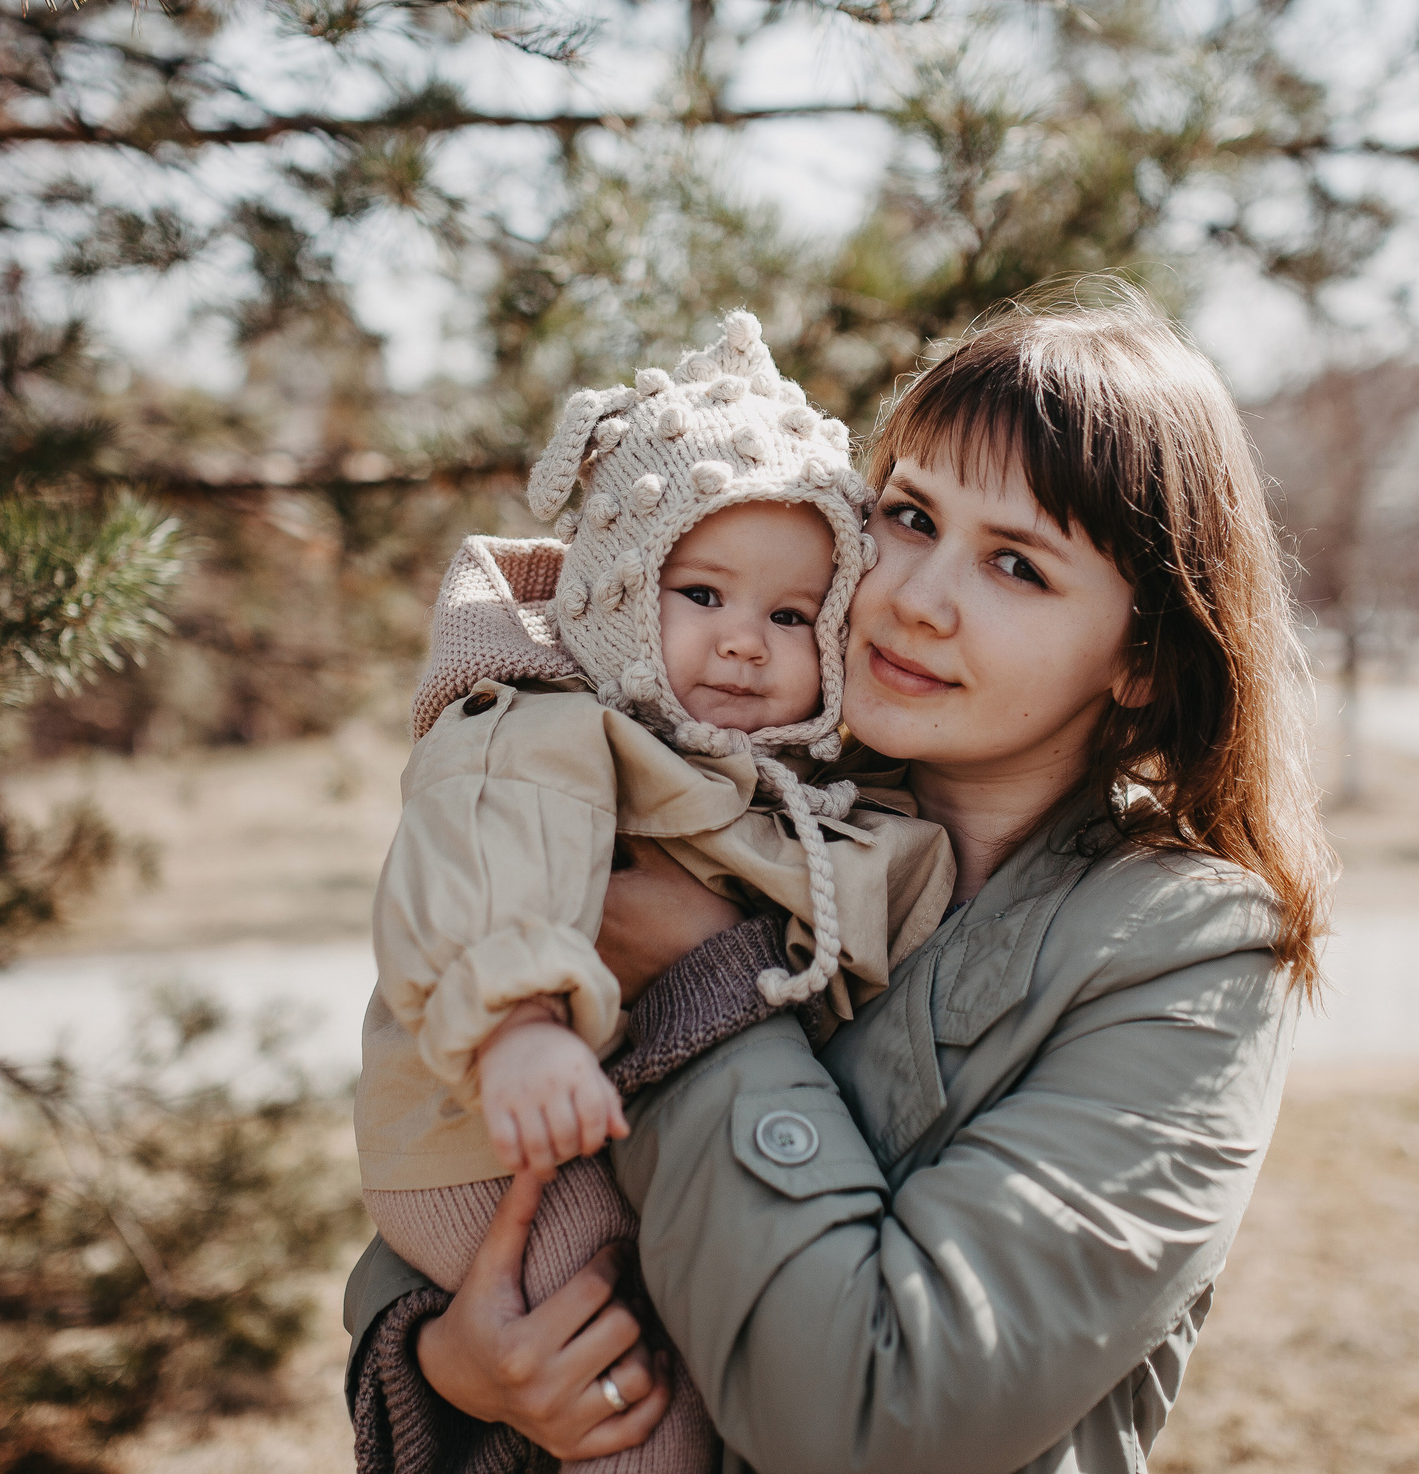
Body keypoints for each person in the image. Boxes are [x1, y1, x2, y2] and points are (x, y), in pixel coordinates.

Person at [344, 277, 1334, 1474]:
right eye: (909, 517)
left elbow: (885, 1414)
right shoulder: (718, 780)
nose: (913, 599)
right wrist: (450, 1362)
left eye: (1016, 566)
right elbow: (447, 1131)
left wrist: (708, 992)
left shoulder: (1185, 952)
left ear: (1143, 656)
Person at [356, 312, 956, 1473]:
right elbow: (489, 858)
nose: (744, 644)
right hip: (484, 1131)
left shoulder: (769, 778)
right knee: (638, 1402)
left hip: (594, 1124)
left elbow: (849, 891)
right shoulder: (537, 727)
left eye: (791, 616)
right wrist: (521, 1028)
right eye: (702, 594)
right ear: (618, 592)